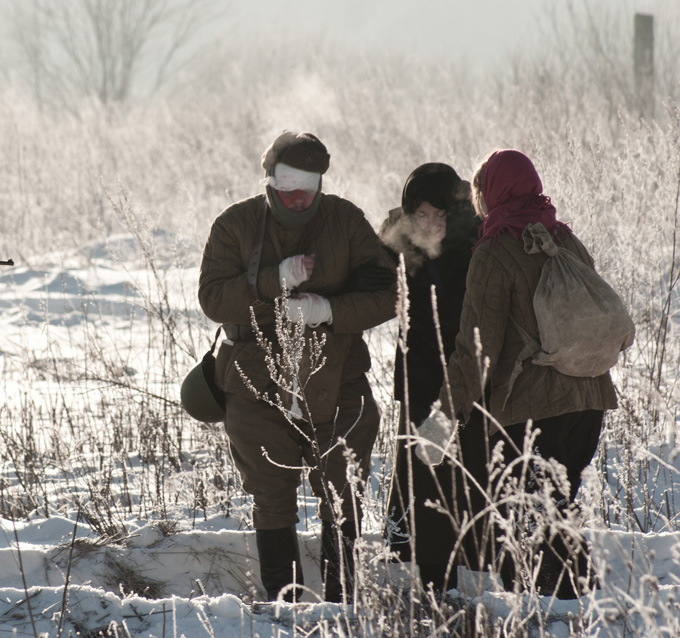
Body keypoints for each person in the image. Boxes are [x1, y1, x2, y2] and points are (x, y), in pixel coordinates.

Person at [198, 131, 396, 602]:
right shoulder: (236, 225)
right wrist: (274, 281)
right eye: (288, 183)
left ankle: (341, 606)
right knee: (271, 497)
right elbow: (212, 299)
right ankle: (284, 607)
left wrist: (328, 311)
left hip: (339, 377)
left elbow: (388, 292)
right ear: (269, 179)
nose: (298, 195)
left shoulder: (345, 221)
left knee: (342, 493)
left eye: (308, 184)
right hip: (255, 380)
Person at [439, 149, 621, 598]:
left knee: (537, 515)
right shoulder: (565, 239)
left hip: (532, 409)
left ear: (490, 192)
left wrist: (444, 416)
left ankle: (562, 620)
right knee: (556, 508)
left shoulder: (495, 250)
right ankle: (575, 615)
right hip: (589, 400)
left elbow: (477, 347)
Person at [379, 163, 484, 592]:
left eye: (440, 215)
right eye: (422, 216)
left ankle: (464, 578)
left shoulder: (474, 249)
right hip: (418, 380)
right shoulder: (400, 249)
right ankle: (409, 570)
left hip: (466, 382)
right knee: (415, 473)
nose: (432, 225)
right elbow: (369, 263)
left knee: (462, 477)